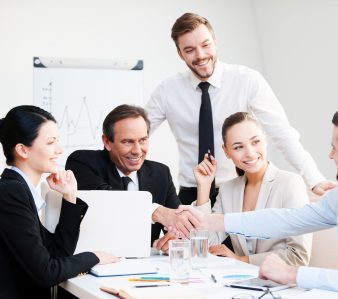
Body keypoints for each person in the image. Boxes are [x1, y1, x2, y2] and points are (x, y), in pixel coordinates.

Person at [177, 104, 338, 298]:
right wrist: (213, 222)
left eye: (334, 147)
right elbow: (288, 219)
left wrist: (292, 273)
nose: (330, 155)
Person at [145, 12, 336, 206]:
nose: (201, 55)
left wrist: (314, 179)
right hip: (191, 191)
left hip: (240, 189)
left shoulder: (247, 80)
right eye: (190, 50)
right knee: (196, 238)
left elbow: (281, 133)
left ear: (215, 41)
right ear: (180, 53)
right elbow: (136, 134)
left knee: (241, 238)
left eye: (205, 45)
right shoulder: (167, 91)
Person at [0, 105, 118, 299]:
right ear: (22, 150)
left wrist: (69, 196)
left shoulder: (20, 189)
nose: (59, 150)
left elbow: (57, 255)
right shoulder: (12, 192)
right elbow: (47, 272)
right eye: (50, 143)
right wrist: (94, 257)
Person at [65, 104, 199, 243]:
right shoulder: (82, 162)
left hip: (146, 261)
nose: (137, 150)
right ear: (107, 142)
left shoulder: (161, 173)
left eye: (143, 140)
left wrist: (175, 237)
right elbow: (107, 200)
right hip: (98, 259)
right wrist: (156, 211)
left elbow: (176, 218)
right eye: (127, 142)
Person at [192, 112, 312, 266]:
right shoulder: (228, 190)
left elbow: (299, 256)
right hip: (240, 284)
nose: (250, 153)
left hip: (281, 285)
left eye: (255, 142)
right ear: (226, 151)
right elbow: (206, 245)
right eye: (238, 147)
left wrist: (242, 260)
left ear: (265, 140)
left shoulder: (290, 184)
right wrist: (204, 186)